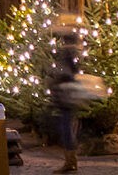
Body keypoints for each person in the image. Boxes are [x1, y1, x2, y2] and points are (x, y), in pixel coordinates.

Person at [48, 28, 81, 173]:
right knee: (67, 126)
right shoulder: (73, 52)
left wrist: (57, 81)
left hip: (66, 94)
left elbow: (68, 73)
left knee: (66, 127)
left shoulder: (68, 53)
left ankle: (70, 161)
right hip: (69, 94)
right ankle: (70, 160)